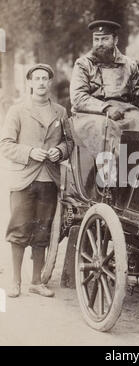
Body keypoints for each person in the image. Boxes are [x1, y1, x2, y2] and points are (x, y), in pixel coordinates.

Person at [0, 64, 74, 298]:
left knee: (43, 230)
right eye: (37, 78)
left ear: (50, 82)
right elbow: (5, 145)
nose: (41, 82)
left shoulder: (61, 112)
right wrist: (29, 152)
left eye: (45, 78)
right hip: (23, 179)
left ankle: (36, 281)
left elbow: (70, 142)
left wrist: (59, 152)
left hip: (49, 179)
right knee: (19, 229)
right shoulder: (18, 110)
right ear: (30, 83)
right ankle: (15, 282)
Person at [70, 20, 139, 158]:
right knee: (104, 130)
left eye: (105, 39)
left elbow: (137, 88)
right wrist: (105, 108)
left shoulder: (129, 64)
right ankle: (109, 173)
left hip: (124, 111)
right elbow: (78, 98)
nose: (99, 44)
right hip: (90, 113)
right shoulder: (83, 64)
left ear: (115, 40)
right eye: (96, 39)